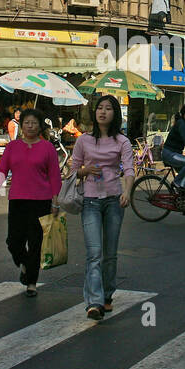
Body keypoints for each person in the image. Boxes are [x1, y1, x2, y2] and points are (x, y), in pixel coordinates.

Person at [71, 95, 135, 321]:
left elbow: (128, 170)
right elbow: (73, 171)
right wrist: (85, 170)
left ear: (114, 114)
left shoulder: (122, 141)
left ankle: (107, 295)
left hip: (114, 200)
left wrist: (127, 191)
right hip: (90, 200)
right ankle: (94, 302)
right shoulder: (83, 141)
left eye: (108, 108)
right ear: (94, 112)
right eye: (100, 108)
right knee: (94, 252)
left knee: (110, 253)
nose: (103, 112)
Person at [0, 108, 61, 297]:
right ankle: (25, 265)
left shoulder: (47, 148)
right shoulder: (13, 147)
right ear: (22, 126)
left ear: (39, 127)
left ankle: (31, 282)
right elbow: (2, 168)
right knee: (14, 241)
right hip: (18, 199)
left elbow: (54, 176)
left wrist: (55, 201)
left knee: (35, 242)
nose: (30, 126)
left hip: (41, 200)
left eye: (34, 123)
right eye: (27, 123)